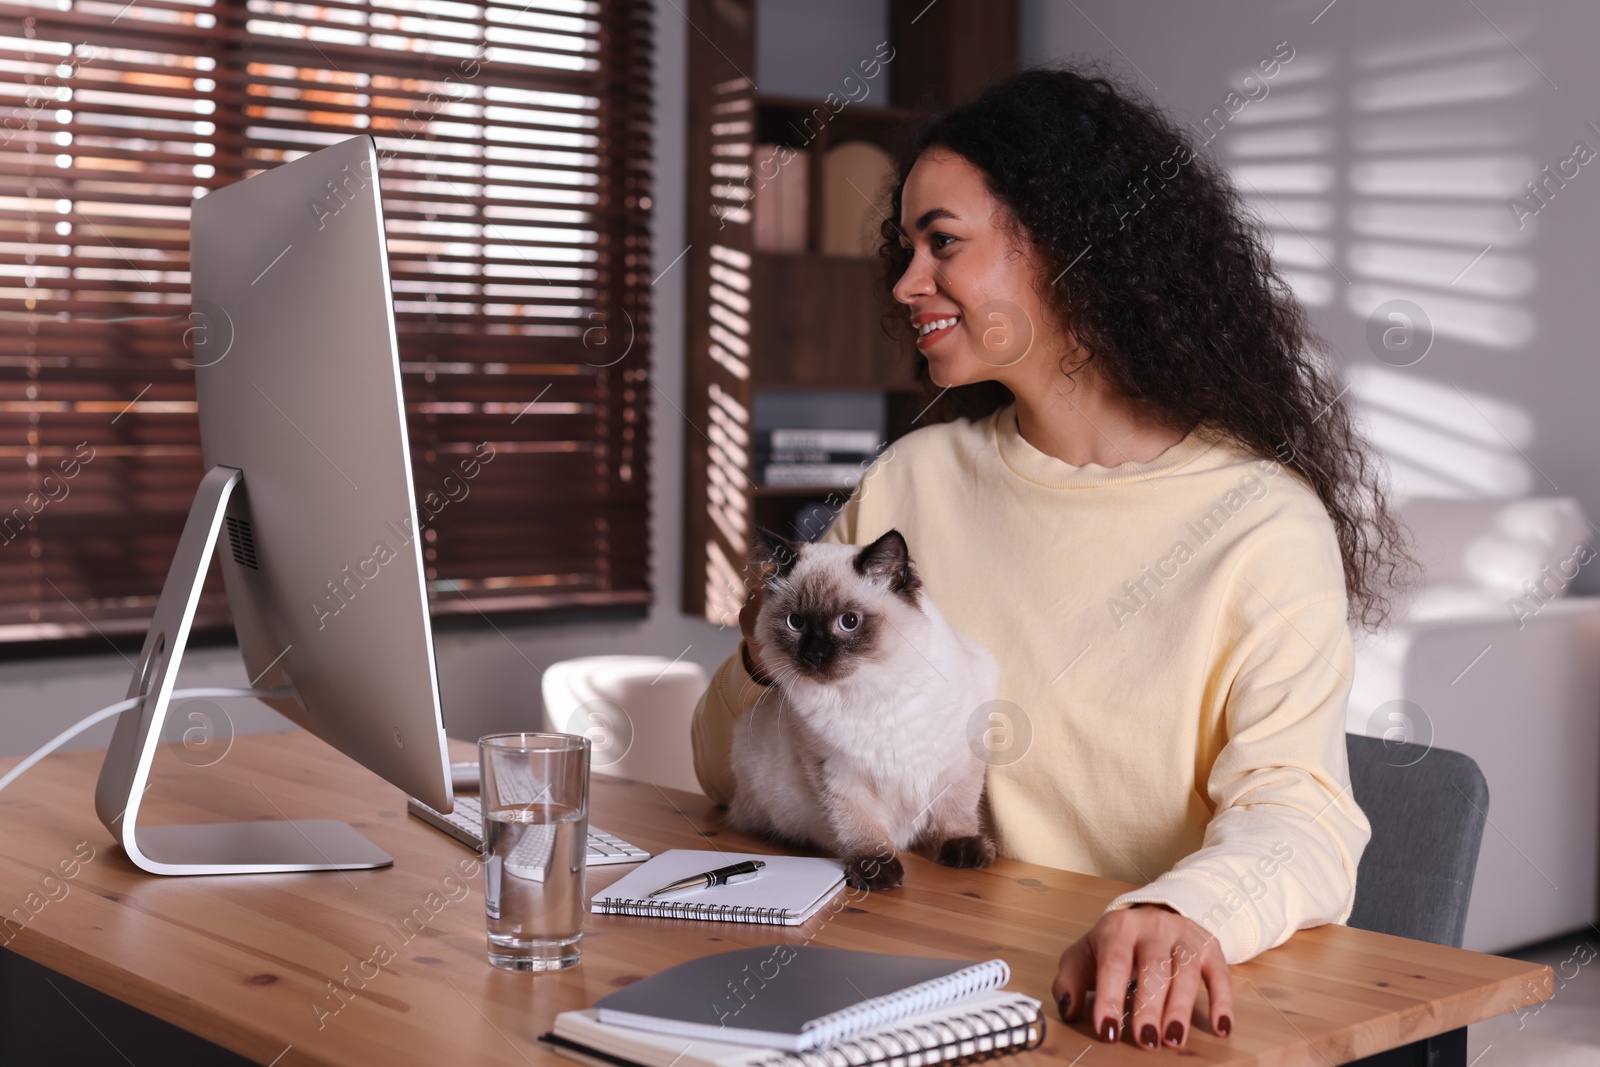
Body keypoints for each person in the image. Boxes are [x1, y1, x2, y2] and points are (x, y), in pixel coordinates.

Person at [690, 64, 1413, 1053]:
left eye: (941, 243)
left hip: (1113, 1012)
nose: (905, 282)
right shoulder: (912, 479)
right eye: (905, 247)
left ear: (1075, 249)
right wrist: (760, 653)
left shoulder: (1259, 524)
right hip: (909, 981)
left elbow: (1301, 816)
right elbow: (721, 763)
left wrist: (1178, 910)